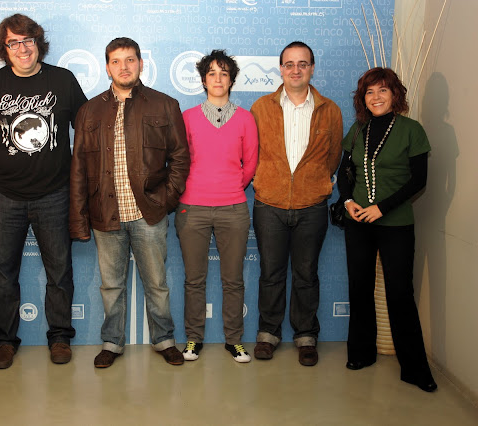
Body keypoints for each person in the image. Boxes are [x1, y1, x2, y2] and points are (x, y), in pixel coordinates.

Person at [0, 14, 87, 369]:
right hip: (5, 195)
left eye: (28, 40)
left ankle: (60, 337)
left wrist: (79, 186)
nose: (22, 48)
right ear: (4, 49)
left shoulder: (63, 81)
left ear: (38, 42)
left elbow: (85, 133)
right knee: (2, 273)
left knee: (60, 271)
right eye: (14, 42)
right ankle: (4, 341)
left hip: (55, 194)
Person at [69, 37, 189, 368]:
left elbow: (180, 157)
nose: (124, 66)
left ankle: (164, 340)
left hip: (149, 212)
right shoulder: (89, 110)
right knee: (111, 285)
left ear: (140, 63)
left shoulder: (165, 105)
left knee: (156, 283)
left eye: (130, 59)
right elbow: (78, 166)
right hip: (105, 213)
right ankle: (112, 342)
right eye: (117, 61)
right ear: (107, 67)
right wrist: (78, 217)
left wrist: (166, 199)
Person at [338, 67, 437, 392]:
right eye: (369, 92)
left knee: (399, 293)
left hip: (395, 223)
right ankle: (360, 354)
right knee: (360, 288)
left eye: (383, 90)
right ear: (362, 99)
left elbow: (418, 180)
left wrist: (382, 207)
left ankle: (415, 368)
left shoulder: (411, 130)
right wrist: (349, 201)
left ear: (395, 95)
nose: (376, 97)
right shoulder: (358, 129)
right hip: (358, 223)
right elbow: (345, 171)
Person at [250, 41, 343, 366]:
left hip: (311, 206)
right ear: (281, 69)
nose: (296, 70)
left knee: (306, 274)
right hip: (269, 204)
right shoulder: (261, 108)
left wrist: (315, 184)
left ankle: (306, 336)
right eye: (289, 64)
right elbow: (252, 154)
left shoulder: (329, 109)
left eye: (302, 64)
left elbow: (332, 159)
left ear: (312, 68)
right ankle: (268, 334)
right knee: (271, 273)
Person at [175, 50, 258, 363]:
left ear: (232, 79)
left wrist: (233, 187)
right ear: (203, 80)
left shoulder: (246, 119)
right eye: (212, 73)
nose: (218, 79)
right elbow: (179, 162)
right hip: (192, 209)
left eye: (224, 73)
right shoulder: (187, 118)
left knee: (233, 280)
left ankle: (233, 340)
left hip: (233, 209)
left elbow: (250, 163)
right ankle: (194, 339)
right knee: (194, 280)